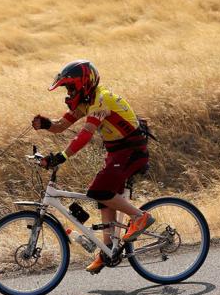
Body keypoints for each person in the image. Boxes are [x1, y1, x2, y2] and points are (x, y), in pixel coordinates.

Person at [32, 60, 154, 274]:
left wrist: (61, 156)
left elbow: (85, 134)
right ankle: (107, 249)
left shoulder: (101, 100)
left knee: (99, 191)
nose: (68, 94)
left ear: (84, 84)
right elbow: (61, 125)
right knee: (102, 194)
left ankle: (139, 217)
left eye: (70, 88)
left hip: (131, 151)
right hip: (118, 152)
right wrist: (45, 124)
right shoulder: (86, 102)